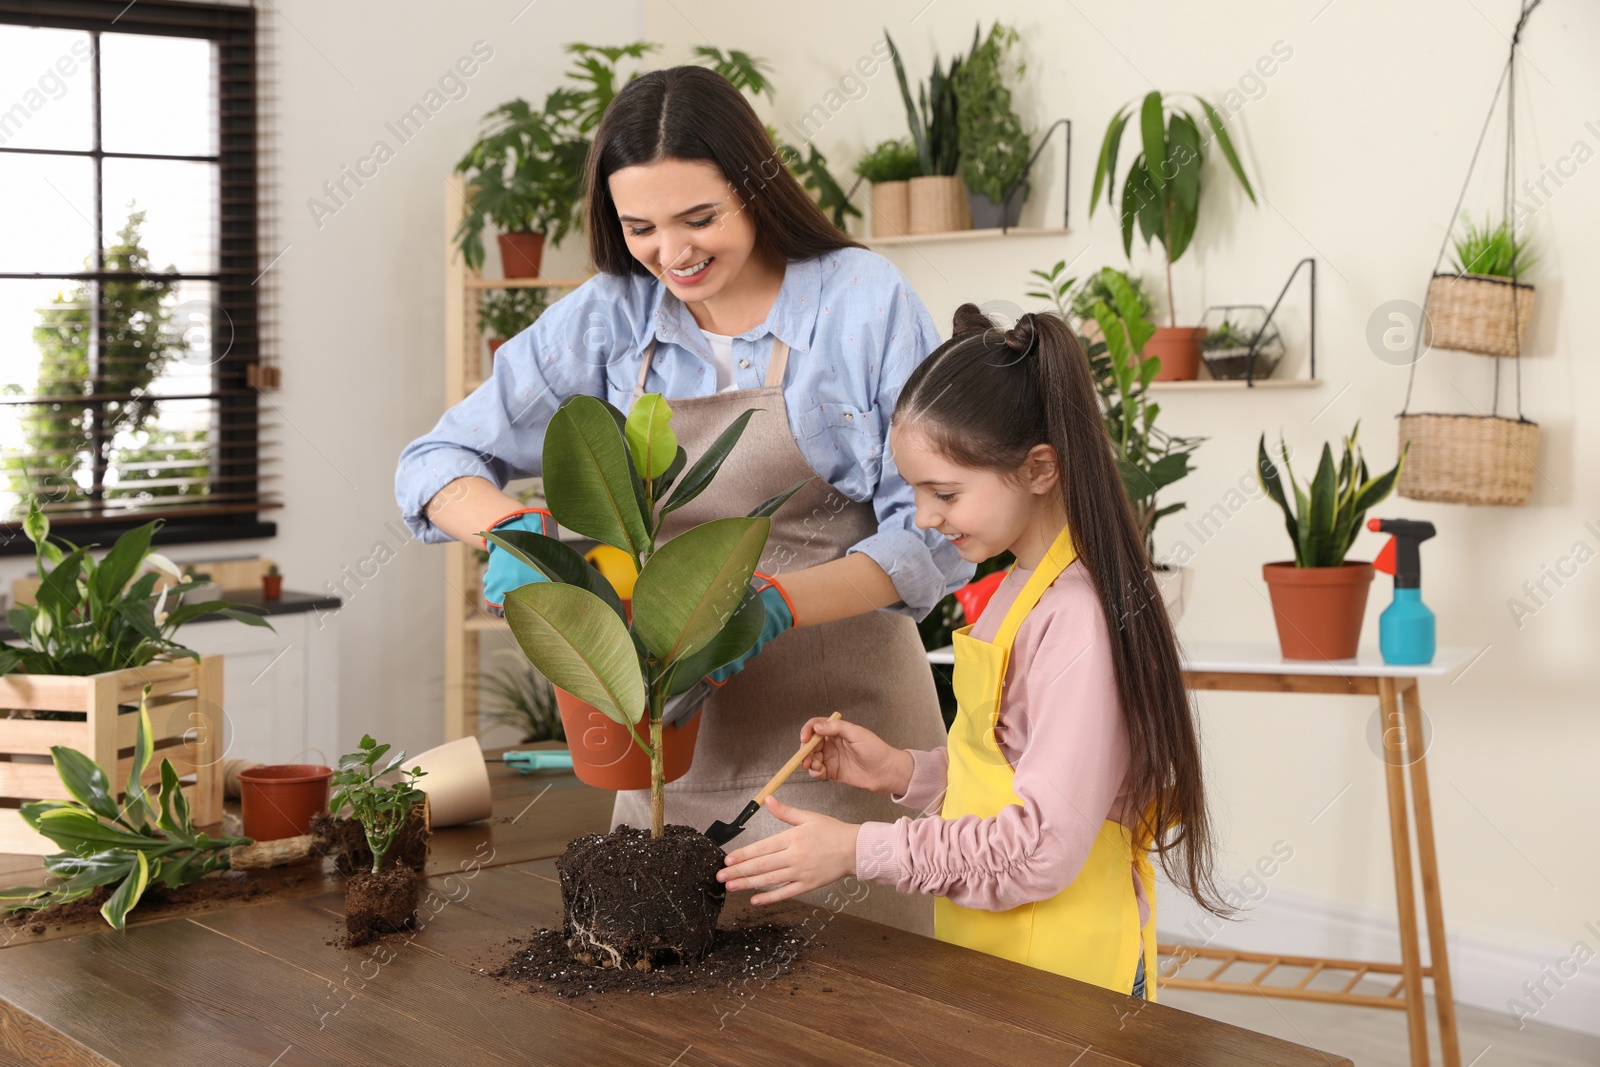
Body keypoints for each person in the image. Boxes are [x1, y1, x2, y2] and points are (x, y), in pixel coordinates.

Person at [395, 66, 970, 935]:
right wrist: (511, 533)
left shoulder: (860, 302)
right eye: (641, 228)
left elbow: (934, 533)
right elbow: (434, 461)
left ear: (756, 188)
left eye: (700, 219)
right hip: (663, 747)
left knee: (852, 1019)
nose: (673, 253)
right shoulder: (610, 318)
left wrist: (773, 603)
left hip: (845, 741)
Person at [714, 306, 1232, 998]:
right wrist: (904, 771)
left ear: (1039, 468)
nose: (924, 517)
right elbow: (1015, 773)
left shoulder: (1077, 619)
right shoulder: (1022, 585)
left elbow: (1041, 846)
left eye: (945, 492)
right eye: (915, 491)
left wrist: (857, 848)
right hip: (1006, 958)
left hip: (1070, 977)